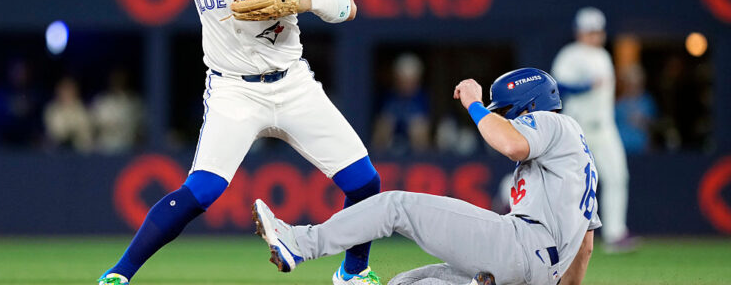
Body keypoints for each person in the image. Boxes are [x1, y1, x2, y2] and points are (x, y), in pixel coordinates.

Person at [98, 0, 381, 285]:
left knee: (365, 182)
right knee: (201, 192)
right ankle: (118, 275)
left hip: (294, 85)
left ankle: (353, 271)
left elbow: (346, 5)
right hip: (233, 91)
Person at [253, 68, 601, 285]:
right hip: (537, 272)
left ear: (529, 106)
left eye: (509, 112)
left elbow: (510, 143)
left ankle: (299, 244)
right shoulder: (580, 166)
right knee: (406, 282)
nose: (505, 119)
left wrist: (475, 105)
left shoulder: (555, 123)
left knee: (394, 205)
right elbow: (584, 248)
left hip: (522, 244)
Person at [551, 7, 636, 252]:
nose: (594, 36)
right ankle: (562, 236)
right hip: (579, 127)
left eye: (597, 31)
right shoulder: (570, 54)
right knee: (568, 181)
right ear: (579, 32)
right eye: (589, 31)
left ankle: (615, 234)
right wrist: (586, 85)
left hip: (605, 127)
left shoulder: (603, 56)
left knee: (618, 177)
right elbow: (558, 87)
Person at [372, 53, 431, 155]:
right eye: (403, 80)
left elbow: (424, 140)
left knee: (418, 127)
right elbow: (377, 138)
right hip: (388, 151)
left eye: (411, 81)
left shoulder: (422, 99)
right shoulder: (387, 98)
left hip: (414, 154)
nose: (407, 85)